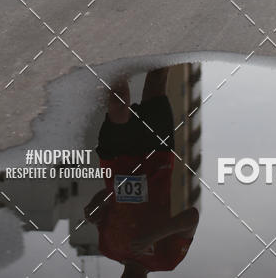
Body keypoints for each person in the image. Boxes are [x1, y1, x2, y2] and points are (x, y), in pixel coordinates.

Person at [84, 68, 199, 275]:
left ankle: (115, 54)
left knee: (118, 102)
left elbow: (108, 199)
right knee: (156, 81)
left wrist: (94, 207)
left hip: (116, 160)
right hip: (157, 157)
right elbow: (192, 218)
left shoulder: (108, 249)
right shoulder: (166, 261)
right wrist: (154, 236)